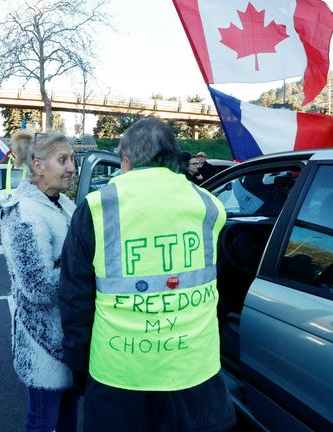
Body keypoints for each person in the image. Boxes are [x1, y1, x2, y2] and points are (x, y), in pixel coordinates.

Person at [59, 118, 236, 431]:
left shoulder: (97, 207)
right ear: (172, 157)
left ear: (125, 161)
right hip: (197, 376)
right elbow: (219, 287)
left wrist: (79, 368)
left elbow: (75, 299)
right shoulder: (209, 204)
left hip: (119, 378)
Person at [0, 130, 79, 432]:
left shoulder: (64, 204)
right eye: (63, 160)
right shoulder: (23, 212)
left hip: (71, 338)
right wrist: (82, 268)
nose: (71, 167)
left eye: (71, 158)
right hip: (43, 346)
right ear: (38, 165)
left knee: (69, 419)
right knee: (43, 422)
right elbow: (38, 287)